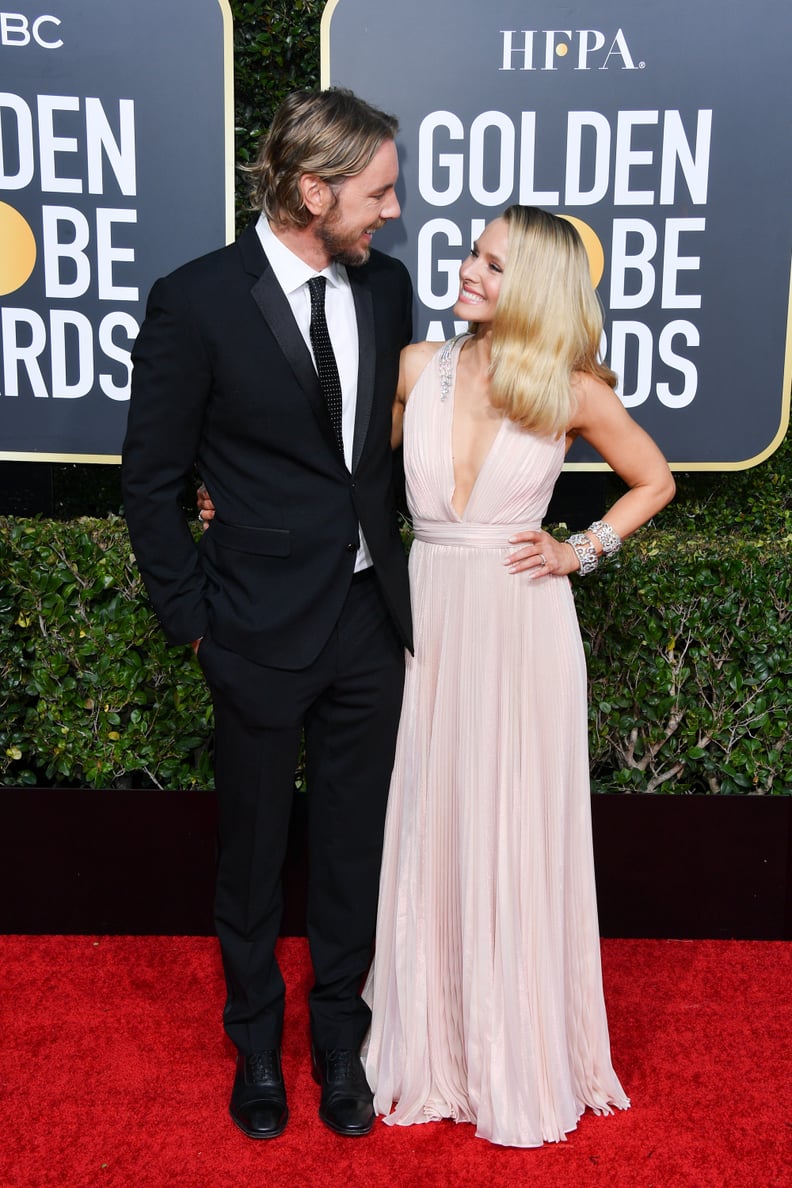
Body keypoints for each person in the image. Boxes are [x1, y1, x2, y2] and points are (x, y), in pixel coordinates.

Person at [121, 89, 413, 1141]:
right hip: (249, 626)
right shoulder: (196, 300)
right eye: (377, 191)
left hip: (370, 618)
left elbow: (379, 455)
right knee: (250, 854)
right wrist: (196, 620)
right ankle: (257, 1043)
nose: (391, 211)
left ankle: (340, 1038)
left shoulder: (389, 292)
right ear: (311, 188)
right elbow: (151, 482)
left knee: (351, 847)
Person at [360, 205, 675, 1147]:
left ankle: (514, 1045)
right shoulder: (419, 366)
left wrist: (583, 550)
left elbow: (653, 480)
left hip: (521, 624)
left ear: (533, 286)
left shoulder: (572, 390)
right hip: (428, 618)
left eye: (494, 265)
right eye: (472, 254)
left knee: (511, 820)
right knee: (432, 813)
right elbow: (346, 474)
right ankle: (435, 1035)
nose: (468, 271)